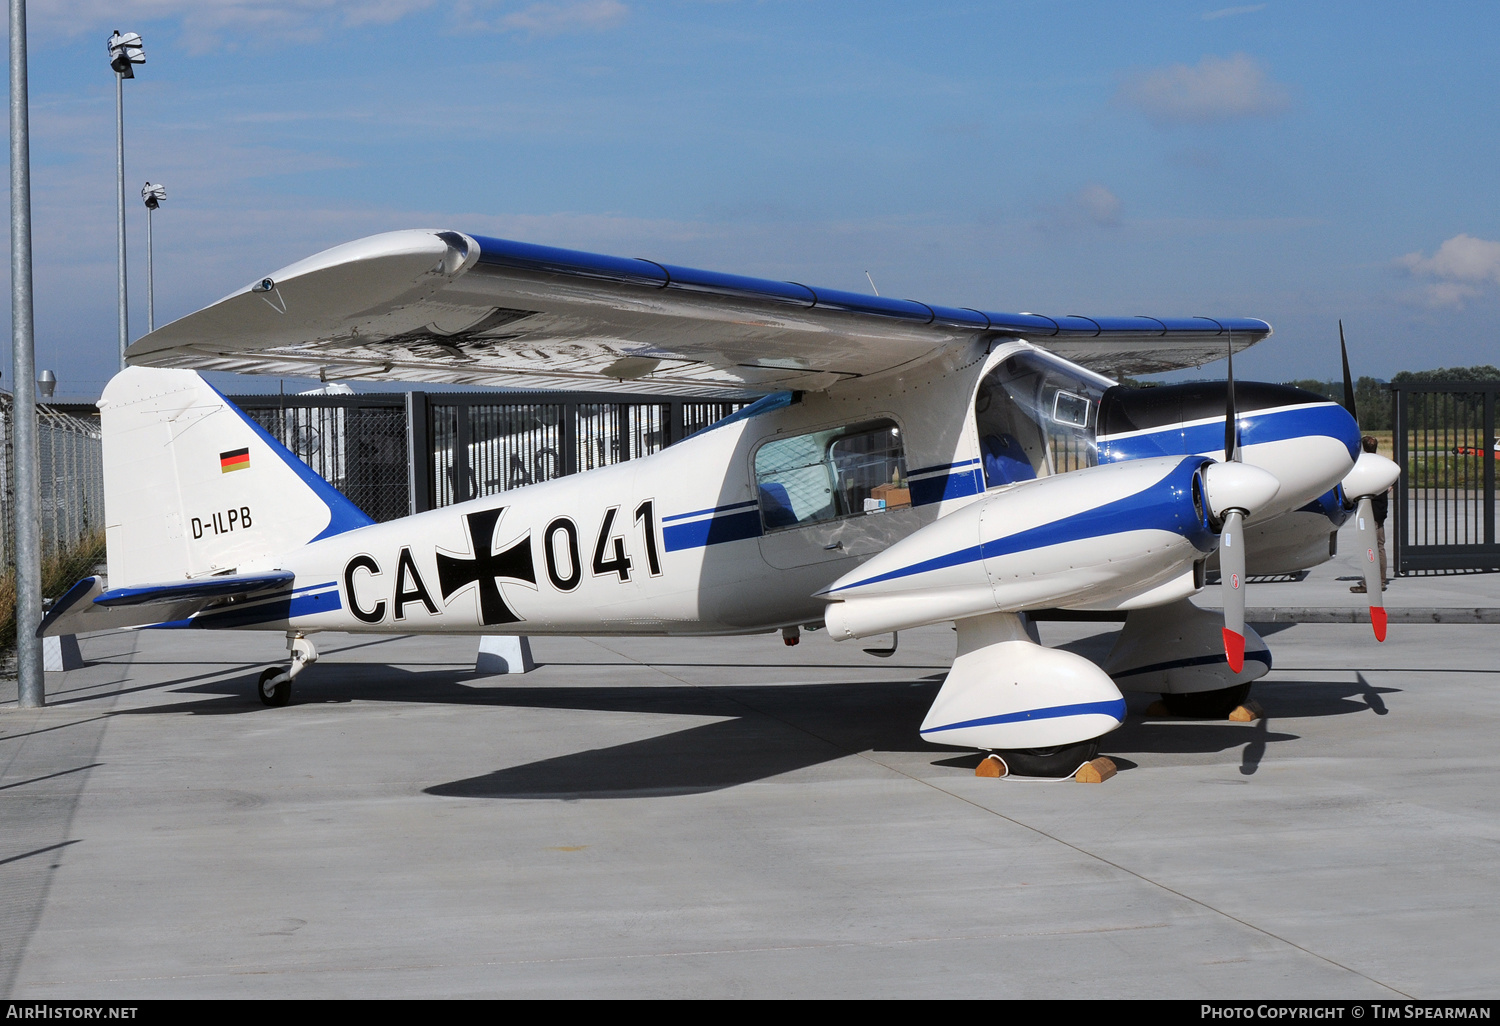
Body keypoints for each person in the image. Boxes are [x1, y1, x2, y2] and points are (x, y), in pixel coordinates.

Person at [1351, 434, 1389, 592]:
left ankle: (1371, 584)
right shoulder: (1381, 464)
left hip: (1370, 512)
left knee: (1370, 548)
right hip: (1380, 511)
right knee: (1379, 547)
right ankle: (1380, 580)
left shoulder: (1365, 465)